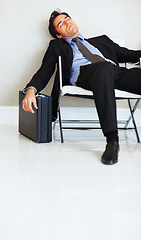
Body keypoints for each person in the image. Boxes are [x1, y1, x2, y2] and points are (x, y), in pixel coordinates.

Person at [22, 9, 141, 165]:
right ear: (58, 34)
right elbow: (44, 71)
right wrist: (31, 90)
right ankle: (112, 141)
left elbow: (131, 55)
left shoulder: (102, 40)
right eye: (61, 23)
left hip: (115, 73)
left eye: (67, 18)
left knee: (111, 69)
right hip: (85, 74)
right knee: (103, 68)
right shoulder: (57, 46)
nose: (67, 22)